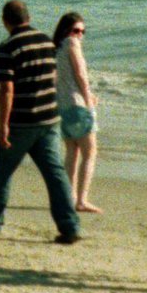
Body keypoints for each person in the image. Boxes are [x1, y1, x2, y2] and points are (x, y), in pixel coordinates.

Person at [0, 0, 80, 245]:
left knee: (3, 173)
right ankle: (69, 226)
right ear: (27, 17)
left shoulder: (9, 46)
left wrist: (3, 124)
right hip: (48, 118)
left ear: (5, 21)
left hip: (22, 121)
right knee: (55, 174)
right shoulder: (47, 40)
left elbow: (7, 88)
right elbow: (54, 76)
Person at [53, 12, 101, 214]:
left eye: (83, 31)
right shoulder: (72, 44)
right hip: (78, 104)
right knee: (90, 152)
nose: (79, 35)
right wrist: (88, 98)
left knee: (72, 151)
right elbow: (80, 73)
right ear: (67, 30)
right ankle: (81, 200)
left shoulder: (58, 48)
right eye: (76, 30)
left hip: (63, 105)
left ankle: (69, 196)